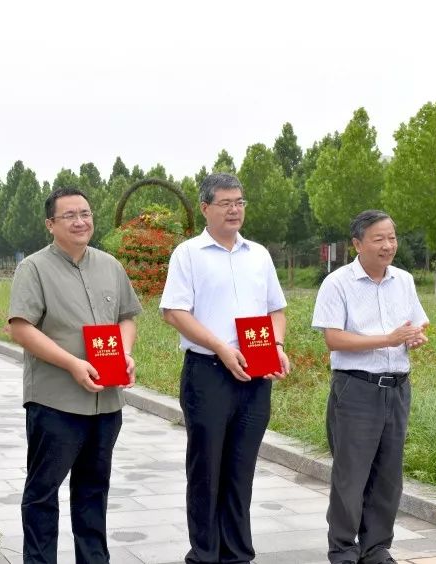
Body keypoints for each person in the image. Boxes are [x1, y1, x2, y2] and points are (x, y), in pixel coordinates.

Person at [159, 172, 290, 564]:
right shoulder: (188, 254)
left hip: (256, 373)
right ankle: (204, 554)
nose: (235, 210)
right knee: (206, 469)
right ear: (206, 208)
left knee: (240, 468)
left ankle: (237, 554)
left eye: (240, 202)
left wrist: (278, 345)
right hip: (209, 373)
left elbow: (276, 309)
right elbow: (174, 312)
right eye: (226, 203)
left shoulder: (260, 254)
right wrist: (219, 345)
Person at [8, 187, 142, 563]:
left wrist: (125, 352)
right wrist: (72, 363)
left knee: (94, 490)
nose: (81, 221)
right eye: (70, 216)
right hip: (56, 402)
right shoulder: (33, 268)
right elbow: (21, 327)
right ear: (51, 224)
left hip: (106, 401)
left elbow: (127, 317)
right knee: (43, 493)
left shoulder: (109, 265)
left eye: (86, 213)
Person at [312, 210, 429, 564]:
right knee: (351, 474)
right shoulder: (337, 283)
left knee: (388, 473)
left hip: (397, 388)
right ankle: (344, 550)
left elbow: (417, 324)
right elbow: (333, 338)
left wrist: (415, 337)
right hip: (357, 389)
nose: (388, 245)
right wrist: (388, 339)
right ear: (357, 244)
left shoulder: (404, 281)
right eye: (378, 239)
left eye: (391, 237)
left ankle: (377, 548)